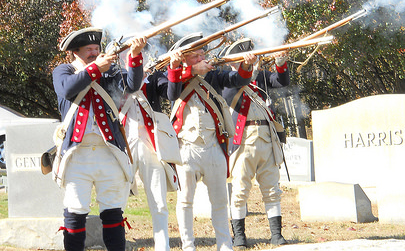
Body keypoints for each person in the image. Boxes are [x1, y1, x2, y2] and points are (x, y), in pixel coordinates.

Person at [52, 27, 147, 251]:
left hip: (109, 152)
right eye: (89, 50)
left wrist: (134, 55)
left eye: (96, 49)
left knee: (113, 211)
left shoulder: (110, 70)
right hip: (77, 154)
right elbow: (67, 89)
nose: (94, 53)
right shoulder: (63, 71)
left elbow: (132, 86)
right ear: (75, 52)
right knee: (75, 213)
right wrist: (95, 68)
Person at [168, 32, 257, 251]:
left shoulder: (214, 75)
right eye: (195, 56)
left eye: (202, 54)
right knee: (185, 201)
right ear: (185, 58)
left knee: (219, 202)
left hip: (213, 145)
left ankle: (225, 245)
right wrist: (188, 70)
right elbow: (171, 92)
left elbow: (238, 80)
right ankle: (188, 246)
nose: (201, 59)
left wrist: (246, 66)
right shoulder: (173, 74)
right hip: (185, 146)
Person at [221, 38, 289, 248]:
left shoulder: (261, 77)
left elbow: (282, 81)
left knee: (272, 188)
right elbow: (232, 93)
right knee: (240, 190)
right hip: (243, 141)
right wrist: (245, 68)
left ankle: (276, 235)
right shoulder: (229, 79)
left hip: (267, 137)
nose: (254, 59)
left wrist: (281, 61)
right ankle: (239, 236)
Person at [116, 48, 184, 251]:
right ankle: (116, 243)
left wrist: (173, 67)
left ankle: (162, 247)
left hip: (150, 145)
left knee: (159, 203)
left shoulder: (153, 76)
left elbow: (172, 93)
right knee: (117, 202)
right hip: (122, 145)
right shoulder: (113, 74)